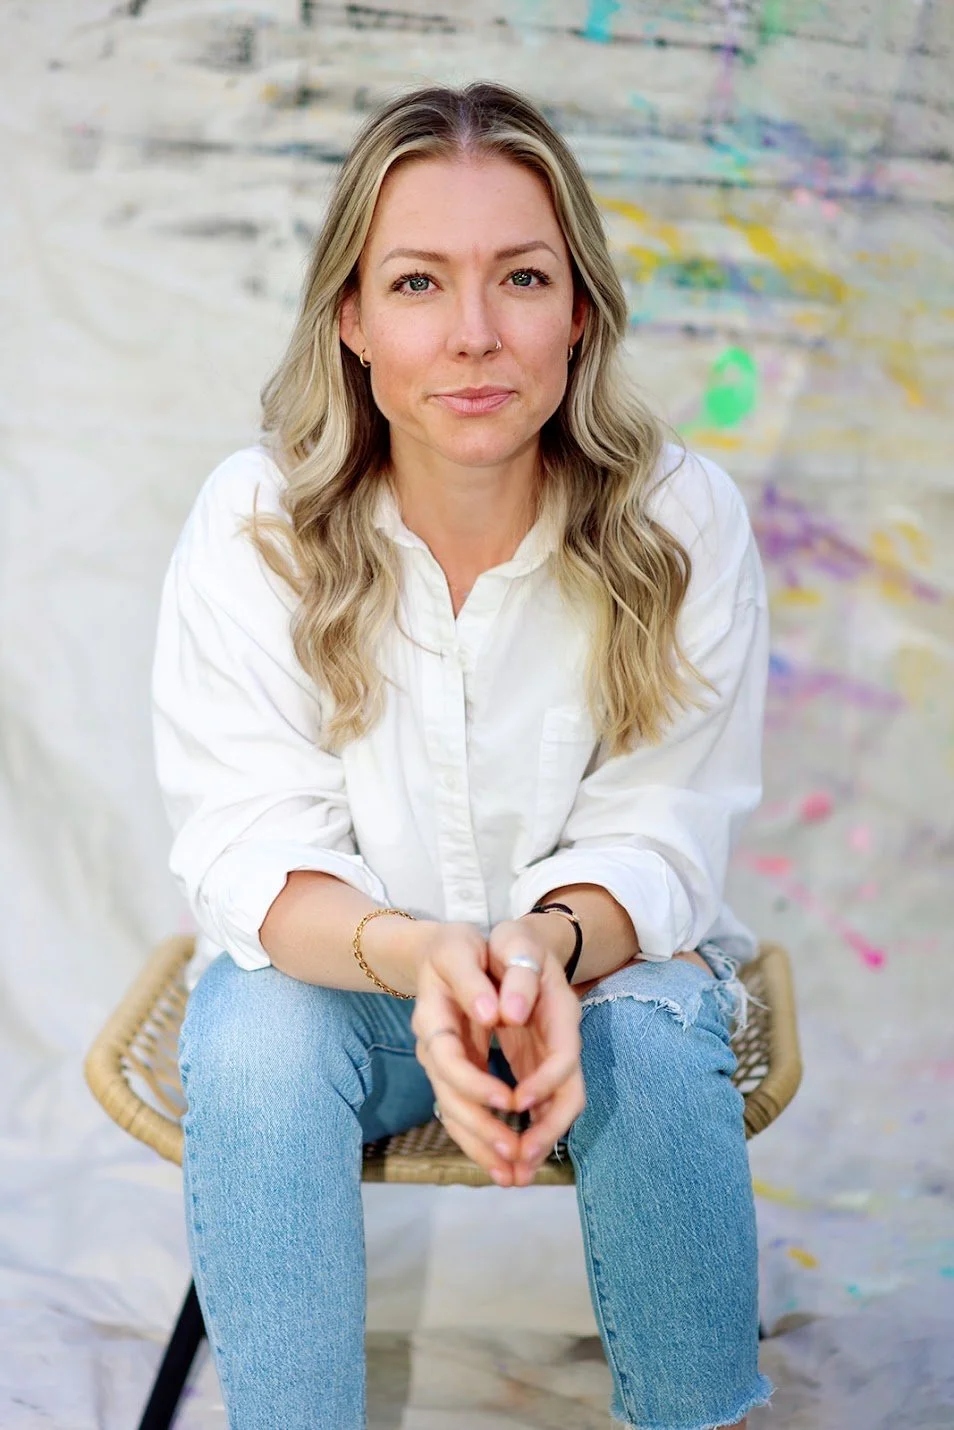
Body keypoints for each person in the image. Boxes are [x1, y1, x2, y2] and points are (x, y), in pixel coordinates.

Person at [152, 80, 775, 1430]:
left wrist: (536, 951)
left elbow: (664, 823)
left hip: (592, 981)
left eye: (523, 277)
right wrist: (427, 956)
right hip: (350, 994)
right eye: (421, 282)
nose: (476, 335)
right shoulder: (254, 521)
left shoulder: (680, 520)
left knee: (660, 1047)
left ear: (580, 311)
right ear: (354, 320)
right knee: (253, 1036)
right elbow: (248, 837)